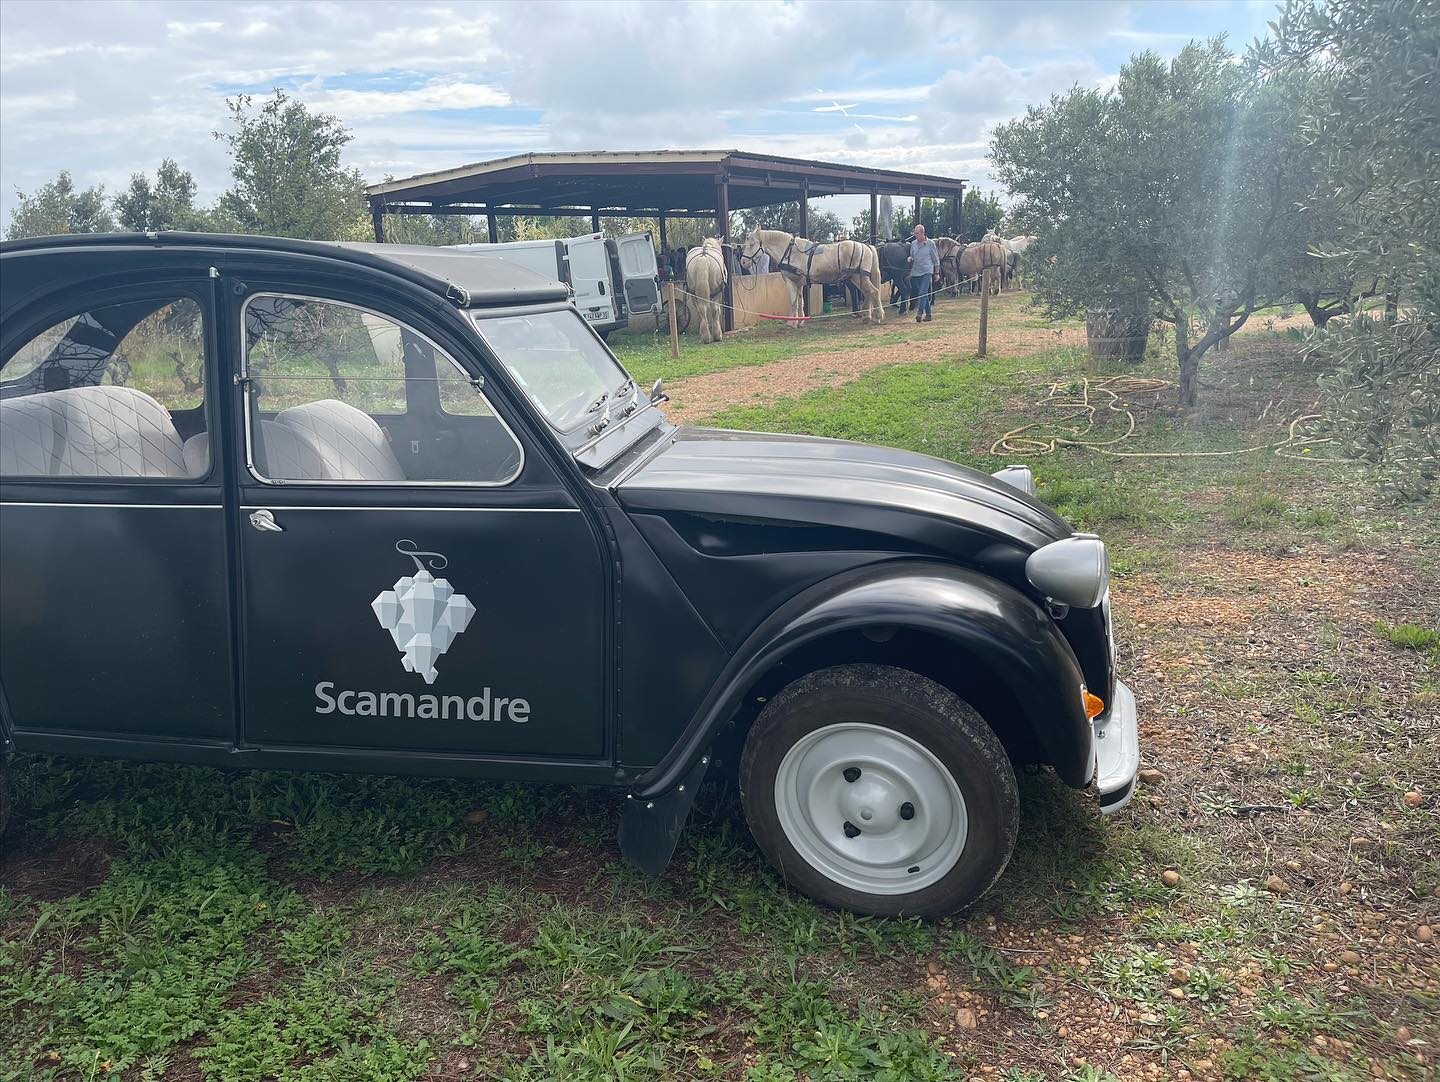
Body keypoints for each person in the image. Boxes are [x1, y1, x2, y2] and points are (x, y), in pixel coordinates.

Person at [908, 224, 939, 322]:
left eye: (917, 233)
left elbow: (936, 260)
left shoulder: (930, 244)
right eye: (915, 233)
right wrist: (910, 258)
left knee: (922, 292)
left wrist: (936, 273)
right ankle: (929, 314)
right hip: (916, 272)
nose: (915, 235)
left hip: (927, 271)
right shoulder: (913, 244)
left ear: (922, 233)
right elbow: (912, 255)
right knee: (923, 294)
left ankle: (920, 313)